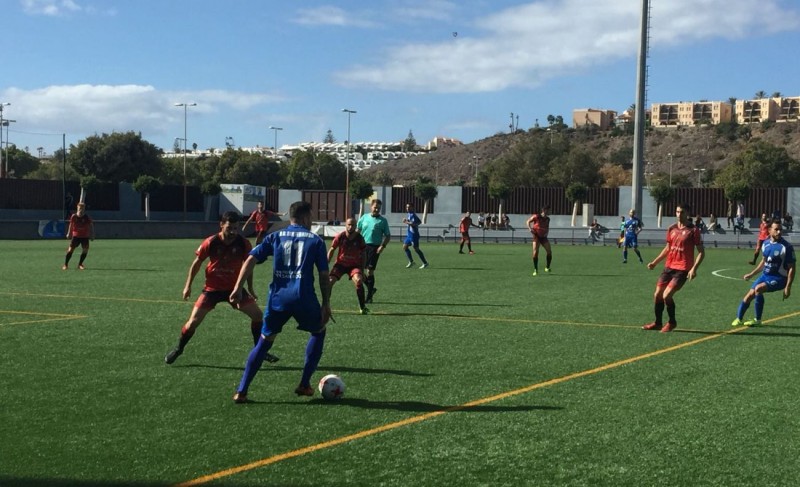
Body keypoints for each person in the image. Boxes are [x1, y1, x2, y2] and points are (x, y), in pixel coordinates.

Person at [230, 201, 332, 403]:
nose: (311, 222)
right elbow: (323, 274)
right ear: (304, 218)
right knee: (319, 331)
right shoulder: (316, 241)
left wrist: (236, 287)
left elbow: (250, 258)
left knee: (264, 341)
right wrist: (326, 303)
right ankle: (304, 384)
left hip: (278, 298)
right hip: (303, 297)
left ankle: (242, 391)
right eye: (310, 218)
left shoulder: (275, 236)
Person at [164, 211, 278, 365]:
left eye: (235, 229)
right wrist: (187, 286)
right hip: (212, 290)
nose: (232, 232)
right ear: (221, 225)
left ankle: (260, 351)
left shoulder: (243, 243)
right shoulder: (211, 242)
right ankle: (179, 348)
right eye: (229, 228)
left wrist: (249, 287)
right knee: (192, 322)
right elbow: (196, 263)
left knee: (258, 316)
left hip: (234, 289)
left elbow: (248, 267)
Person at [642, 203, 705, 333]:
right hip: (669, 267)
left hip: (682, 268)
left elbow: (701, 252)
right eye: (677, 212)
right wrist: (655, 262)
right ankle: (658, 323)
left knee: (667, 295)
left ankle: (672, 322)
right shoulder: (671, 228)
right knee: (657, 294)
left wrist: (694, 269)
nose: (678, 214)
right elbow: (667, 248)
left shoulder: (693, 230)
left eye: (681, 212)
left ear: (687, 213)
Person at [732, 219, 795, 327]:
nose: (779, 232)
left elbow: (792, 268)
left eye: (780, 229)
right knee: (749, 296)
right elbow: (764, 262)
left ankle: (758, 320)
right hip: (765, 276)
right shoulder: (765, 243)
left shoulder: (786, 247)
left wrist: (788, 286)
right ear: (770, 230)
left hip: (779, 278)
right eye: (776, 229)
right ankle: (739, 318)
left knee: (758, 289)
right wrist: (752, 274)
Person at [327, 217, 369, 314]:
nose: (350, 227)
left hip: (354, 266)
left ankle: (362, 307)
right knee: (329, 282)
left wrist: (362, 270)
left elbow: (363, 254)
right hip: (340, 264)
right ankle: (326, 305)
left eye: (353, 225)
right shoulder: (340, 236)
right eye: (349, 225)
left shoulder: (359, 238)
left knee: (358, 280)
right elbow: (332, 249)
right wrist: (326, 265)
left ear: (355, 226)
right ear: (345, 225)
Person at [357, 199, 391, 303]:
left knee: (369, 271)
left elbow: (388, 235)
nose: (376, 209)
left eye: (378, 208)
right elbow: (358, 231)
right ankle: (371, 288)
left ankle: (369, 297)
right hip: (362, 247)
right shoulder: (364, 218)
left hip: (374, 248)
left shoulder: (382, 221)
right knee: (359, 271)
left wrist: (382, 246)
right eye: (375, 207)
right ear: (371, 207)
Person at [63, 202, 95, 270]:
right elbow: (71, 225)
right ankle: (65, 265)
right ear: (77, 208)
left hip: (84, 236)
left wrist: (92, 235)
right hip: (76, 236)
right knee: (70, 250)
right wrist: (69, 233)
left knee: (85, 250)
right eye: (80, 208)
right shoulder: (74, 216)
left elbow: (91, 225)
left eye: (82, 208)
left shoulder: (86, 217)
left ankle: (80, 264)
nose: (81, 210)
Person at [526, 205, 552, 276]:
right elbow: (528, 221)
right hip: (536, 236)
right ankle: (535, 269)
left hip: (543, 237)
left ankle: (547, 267)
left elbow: (547, 227)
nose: (550, 211)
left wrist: (547, 232)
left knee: (549, 252)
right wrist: (529, 228)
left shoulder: (548, 219)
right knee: (535, 253)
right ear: (544, 210)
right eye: (549, 210)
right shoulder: (536, 216)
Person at [402, 202, 430, 269]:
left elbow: (413, 224)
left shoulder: (413, 215)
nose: (407, 208)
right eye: (406, 207)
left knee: (416, 249)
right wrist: (408, 221)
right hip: (409, 235)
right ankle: (411, 262)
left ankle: (425, 263)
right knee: (405, 247)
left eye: (409, 207)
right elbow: (419, 221)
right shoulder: (409, 214)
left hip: (414, 235)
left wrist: (406, 222)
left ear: (412, 207)